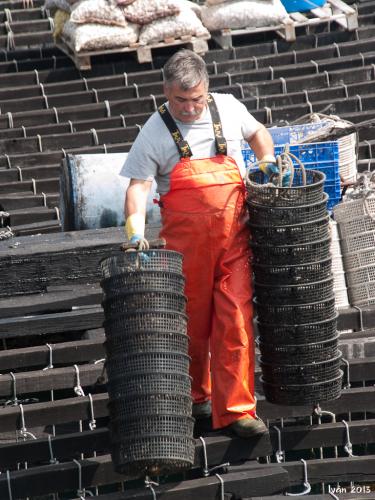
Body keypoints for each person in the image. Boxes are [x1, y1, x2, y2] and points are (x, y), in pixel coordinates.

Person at [120, 49, 278, 438]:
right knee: (191, 327)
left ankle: (237, 410)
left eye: (196, 100)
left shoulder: (227, 107)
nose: (190, 109)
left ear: (207, 90)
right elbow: (138, 186)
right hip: (185, 251)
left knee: (235, 322)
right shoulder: (153, 132)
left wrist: (266, 158)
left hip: (234, 242)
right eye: (180, 101)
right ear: (165, 92)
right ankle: (196, 398)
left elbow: (258, 132)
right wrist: (134, 233)